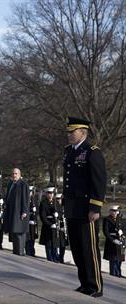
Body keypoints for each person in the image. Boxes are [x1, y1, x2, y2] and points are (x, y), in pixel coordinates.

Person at [63, 116, 106, 297]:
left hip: (86, 208)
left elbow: (99, 181)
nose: (69, 135)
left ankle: (95, 285)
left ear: (83, 132)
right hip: (72, 207)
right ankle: (84, 283)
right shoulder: (69, 151)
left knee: (89, 248)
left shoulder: (92, 151)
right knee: (77, 248)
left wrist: (95, 208)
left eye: (72, 132)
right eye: (69, 132)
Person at [4, 168, 29, 256]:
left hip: (19, 212)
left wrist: (24, 211)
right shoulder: (11, 183)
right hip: (12, 211)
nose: (14, 175)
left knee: (19, 232)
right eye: (13, 173)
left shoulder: (23, 184)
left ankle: (20, 252)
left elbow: (25, 198)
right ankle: (15, 250)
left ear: (19, 174)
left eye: (16, 173)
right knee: (14, 231)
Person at [102, 205, 124, 277]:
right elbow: (106, 232)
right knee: (113, 259)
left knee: (119, 259)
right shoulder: (107, 219)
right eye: (113, 211)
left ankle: (119, 274)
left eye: (116, 211)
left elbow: (124, 228)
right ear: (110, 211)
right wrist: (113, 240)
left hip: (120, 241)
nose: (115, 213)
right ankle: (113, 274)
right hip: (112, 242)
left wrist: (122, 233)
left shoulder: (120, 219)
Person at [39, 187, 59, 262]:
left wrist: (57, 216)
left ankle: (55, 257)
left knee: (55, 242)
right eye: (49, 193)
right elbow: (43, 216)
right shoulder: (43, 203)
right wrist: (50, 224)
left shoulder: (56, 203)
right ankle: (49, 257)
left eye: (52, 194)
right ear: (47, 194)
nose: (51, 195)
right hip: (48, 225)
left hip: (55, 224)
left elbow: (60, 212)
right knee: (48, 243)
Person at [25, 186, 38, 256]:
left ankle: (32, 251)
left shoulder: (34, 200)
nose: (31, 193)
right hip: (28, 221)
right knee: (28, 237)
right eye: (30, 192)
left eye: (32, 192)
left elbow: (37, 211)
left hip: (33, 222)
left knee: (33, 237)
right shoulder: (26, 200)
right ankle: (28, 250)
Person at [55, 193, 68, 263]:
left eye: (59, 199)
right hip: (57, 228)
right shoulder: (55, 207)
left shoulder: (65, 207)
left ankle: (61, 257)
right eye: (57, 199)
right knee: (57, 243)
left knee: (63, 245)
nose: (58, 200)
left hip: (64, 229)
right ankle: (57, 256)